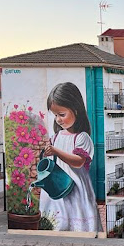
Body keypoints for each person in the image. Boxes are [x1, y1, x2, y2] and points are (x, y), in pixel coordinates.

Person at [40, 82, 97, 232]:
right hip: (57, 185)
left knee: (74, 217)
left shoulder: (81, 138)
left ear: (76, 110)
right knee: (57, 220)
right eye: (55, 115)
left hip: (74, 187)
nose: (58, 119)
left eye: (62, 114)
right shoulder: (56, 136)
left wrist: (56, 151)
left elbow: (78, 162)